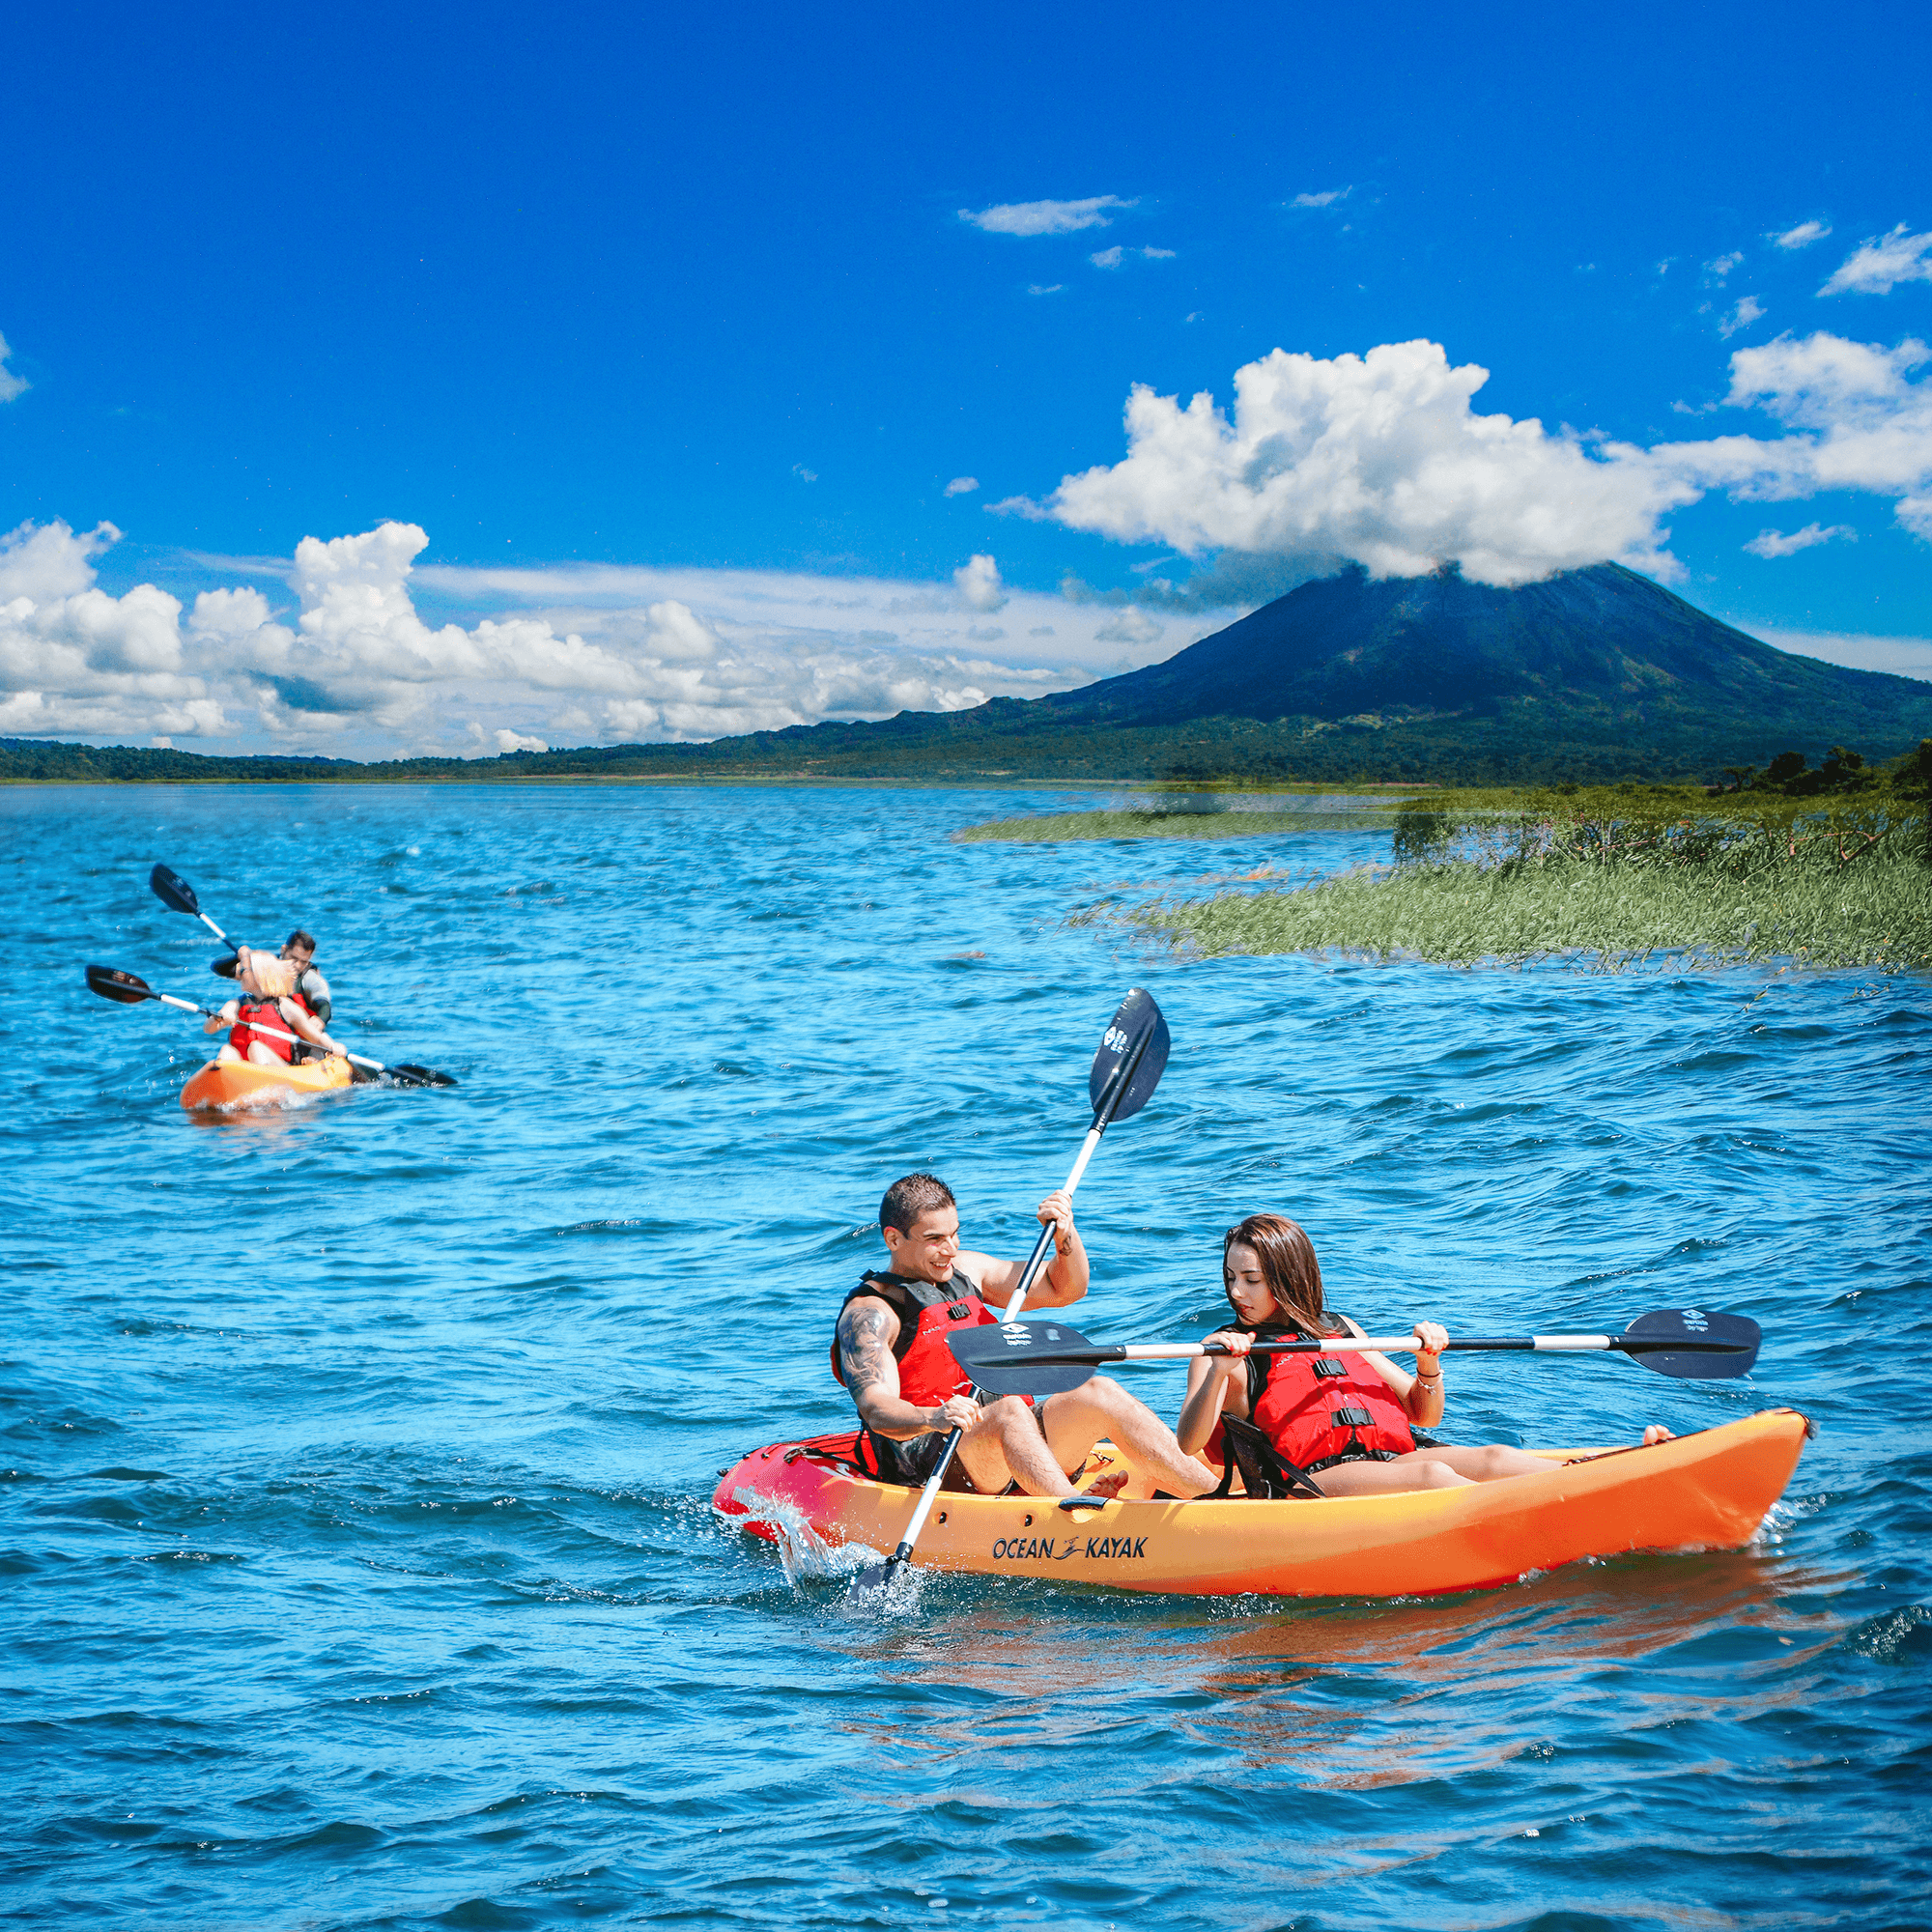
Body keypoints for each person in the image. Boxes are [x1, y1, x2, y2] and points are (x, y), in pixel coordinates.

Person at [1176, 1213, 1672, 1497]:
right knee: (1432, 1475)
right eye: (1231, 1278)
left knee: (1495, 1456)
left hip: (1392, 1458)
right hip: (1315, 1480)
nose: (1237, 1291)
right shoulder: (1226, 1348)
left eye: (1252, 1280)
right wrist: (1220, 1371)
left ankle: (1613, 1481)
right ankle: (1549, 1511)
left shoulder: (1341, 1330)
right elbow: (1189, 1442)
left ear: (1288, 1277)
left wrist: (1429, 1363)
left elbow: (1423, 1415)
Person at [833, 1173, 1221, 1500]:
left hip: (1011, 1442)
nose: (949, 1249)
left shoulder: (967, 1271)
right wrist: (934, 1417)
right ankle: (1075, 1513)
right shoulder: (872, 1313)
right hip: (932, 1456)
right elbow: (876, 1408)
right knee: (1008, 1413)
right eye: (935, 1239)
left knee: (1097, 1391)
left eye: (955, 1234)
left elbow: (1063, 1288)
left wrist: (1065, 1237)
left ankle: (1219, 1500)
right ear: (894, 1239)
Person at [205, 946, 346, 1068]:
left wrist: (333, 1046)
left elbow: (315, 1036)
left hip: (279, 1067)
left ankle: (263, 1089)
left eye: (244, 970)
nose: (239, 974)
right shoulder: (236, 1004)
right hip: (246, 1071)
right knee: (227, 1051)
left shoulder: (284, 1006)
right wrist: (219, 1019)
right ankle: (223, 1086)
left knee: (257, 1047)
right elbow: (208, 1029)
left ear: (259, 976)